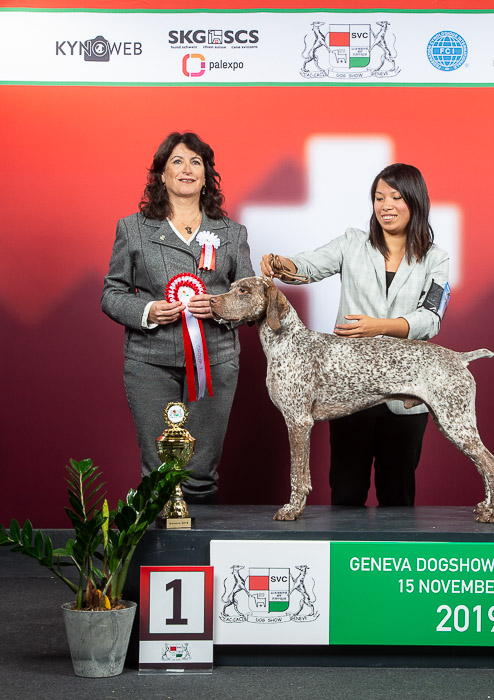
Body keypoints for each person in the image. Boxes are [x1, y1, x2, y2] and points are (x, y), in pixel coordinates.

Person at [261, 163, 450, 507]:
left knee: (398, 496)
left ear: (416, 201)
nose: (386, 205)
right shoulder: (352, 242)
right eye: (379, 197)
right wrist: (282, 263)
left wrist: (379, 326)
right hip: (348, 390)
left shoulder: (436, 259)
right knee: (346, 492)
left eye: (396, 197)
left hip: (407, 392)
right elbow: (309, 265)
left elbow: (431, 317)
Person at [102, 132, 253, 504]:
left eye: (196, 162)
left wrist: (219, 307)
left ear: (206, 177)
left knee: (200, 472)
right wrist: (147, 310)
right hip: (149, 362)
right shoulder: (132, 228)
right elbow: (111, 293)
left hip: (215, 361)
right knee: (158, 471)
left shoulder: (233, 233)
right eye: (177, 161)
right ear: (161, 175)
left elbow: (250, 299)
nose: (187, 169)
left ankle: (201, 539)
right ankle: (160, 541)